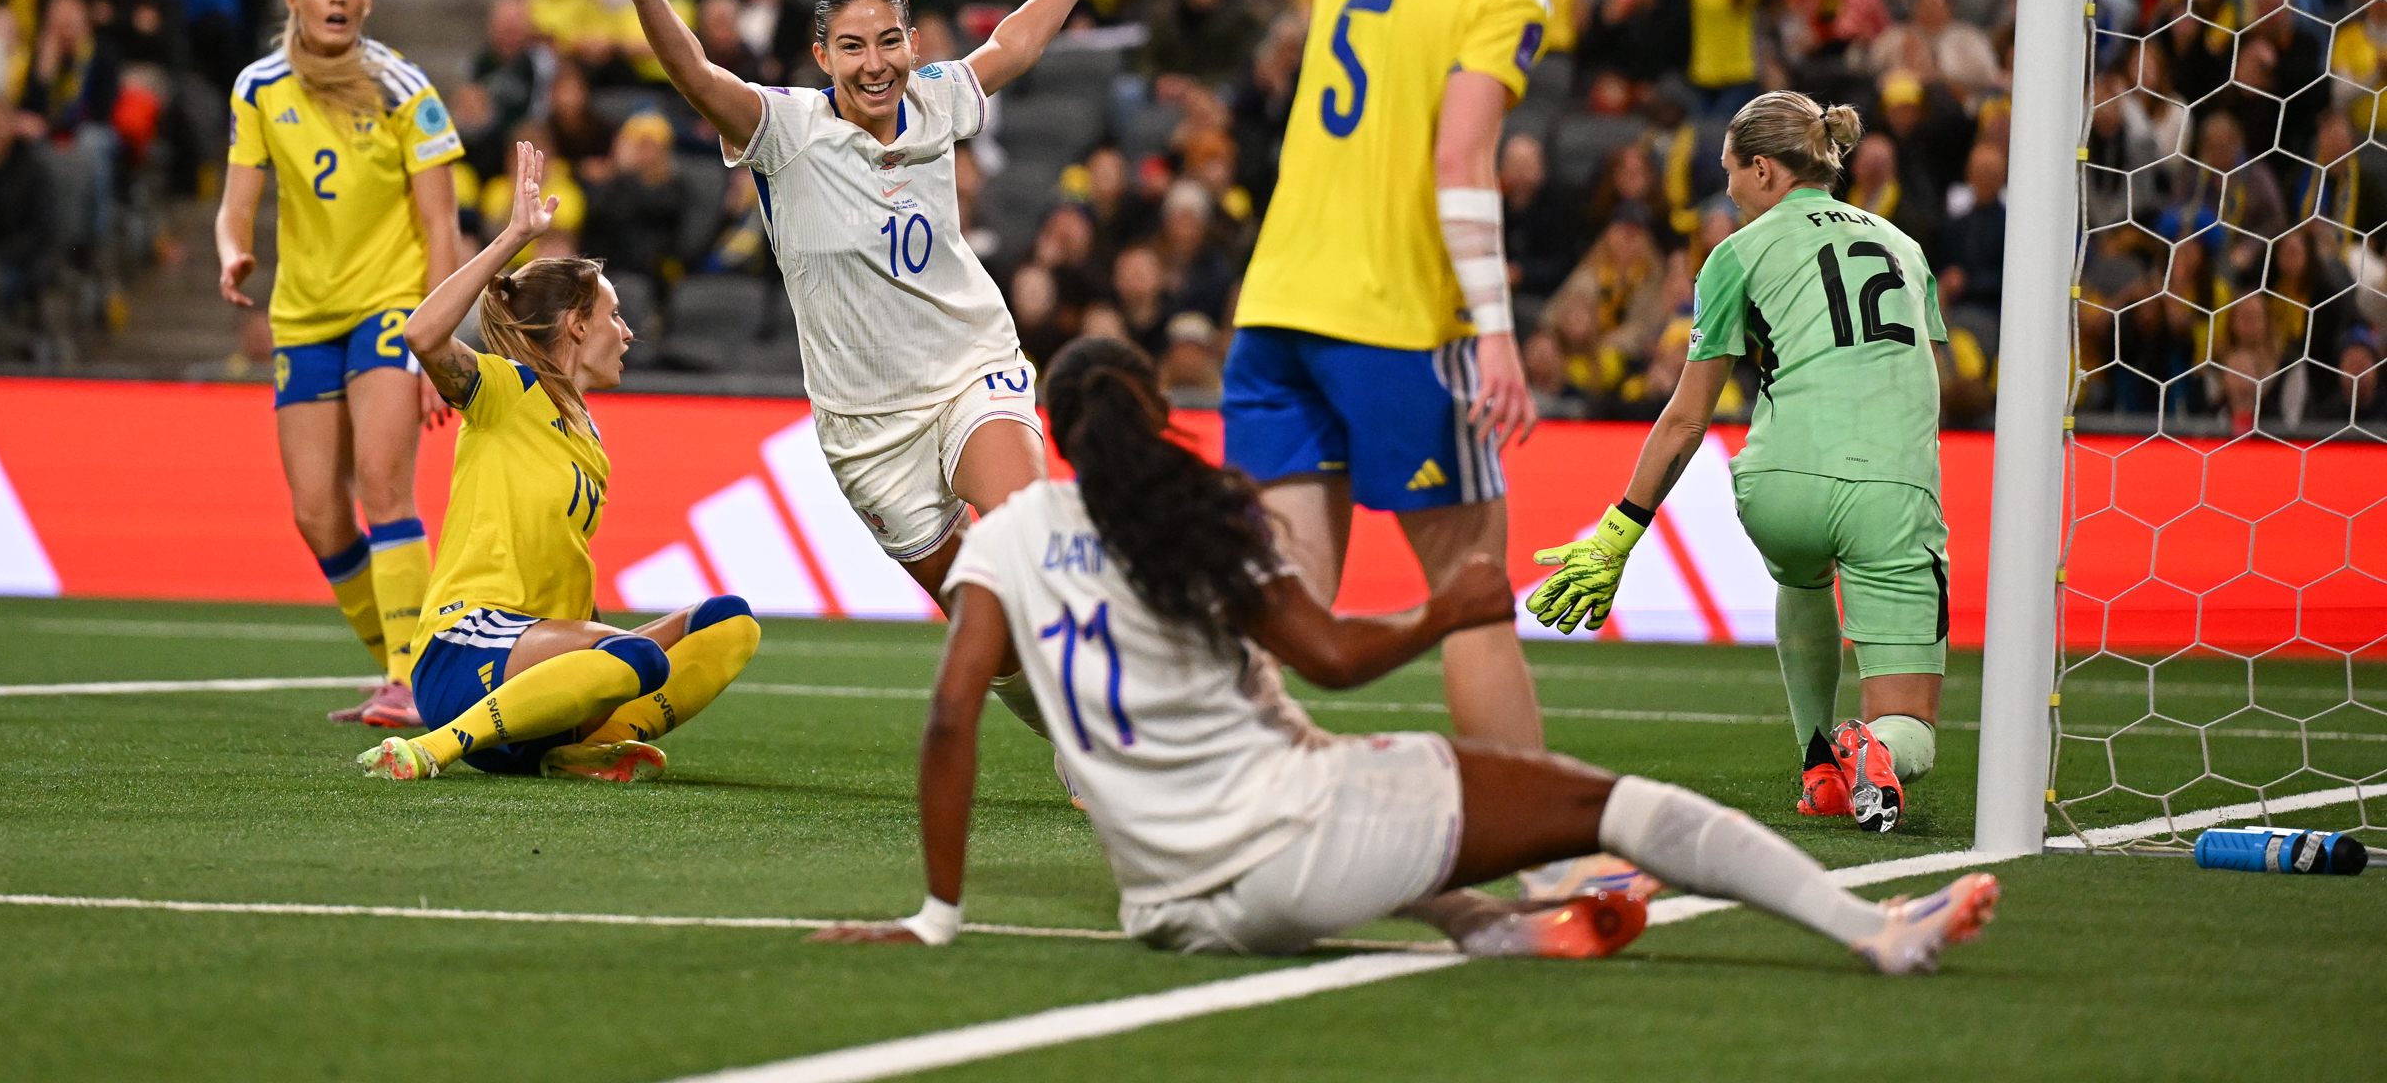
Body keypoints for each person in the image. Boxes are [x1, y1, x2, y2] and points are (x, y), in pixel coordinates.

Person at [815, 334, 2000, 972]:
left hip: (1170, 908)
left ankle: (1486, 922)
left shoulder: (1008, 537)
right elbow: (1330, 656)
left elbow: (953, 714)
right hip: (1294, 855)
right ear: (1153, 403)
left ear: (1057, 435)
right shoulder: (1200, 511)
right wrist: (1453, 606)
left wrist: (935, 911)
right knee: (1613, 803)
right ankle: (1876, 932)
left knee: (1359, 779)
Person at [590, 0, 1128, 682]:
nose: (875, 64)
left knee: (1030, 540)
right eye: (852, 45)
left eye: (888, 40)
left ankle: (1101, 738)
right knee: (981, 615)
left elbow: (1011, 45)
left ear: (912, 42)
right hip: (867, 428)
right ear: (821, 56)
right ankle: (1066, 729)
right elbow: (698, 77)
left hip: (968, 370)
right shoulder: (787, 134)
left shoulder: (937, 96)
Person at [1222, 0, 1555, 752]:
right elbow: (1461, 157)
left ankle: (1184, 805)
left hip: (1279, 302)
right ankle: (1546, 863)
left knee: (1281, 603)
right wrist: (1496, 331)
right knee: (1474, 592)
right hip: (1392, 315)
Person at [1532, 92, 1955, 838]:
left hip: (1778, 483)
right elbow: (1925, 377)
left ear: (1763, 170)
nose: (1725, 191)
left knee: (1802, 573)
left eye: (1729, 172)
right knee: (1911, 724)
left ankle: (1819, 765)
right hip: (1892, 484)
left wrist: (1619, 532)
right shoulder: (1906, 249)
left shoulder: (1733, 254)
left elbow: (1687, 416)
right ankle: (1872, 746)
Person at [356, 140, 761, 784]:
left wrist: (592, 638)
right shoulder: (508, 389)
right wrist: (513, 237)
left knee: (727, 623)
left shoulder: (589, 436)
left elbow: (558, 566)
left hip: (536, 670)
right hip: (465, 650)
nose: (626, 332)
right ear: (575, 325)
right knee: (637, 659)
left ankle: (573, 747)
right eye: (613, 315)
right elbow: (422, 334)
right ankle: (435, 748)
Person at [215, 0, 466, 730]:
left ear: (367, 1)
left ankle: (412, 677)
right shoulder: (258, 89)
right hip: (303, 318)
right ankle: (403, 666)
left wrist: (437, 348)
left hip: (391, 307)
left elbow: (442, 226)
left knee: (385, 486)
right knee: (317, 513)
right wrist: (232, 253)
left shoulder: (403, 89)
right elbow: (233, 207)